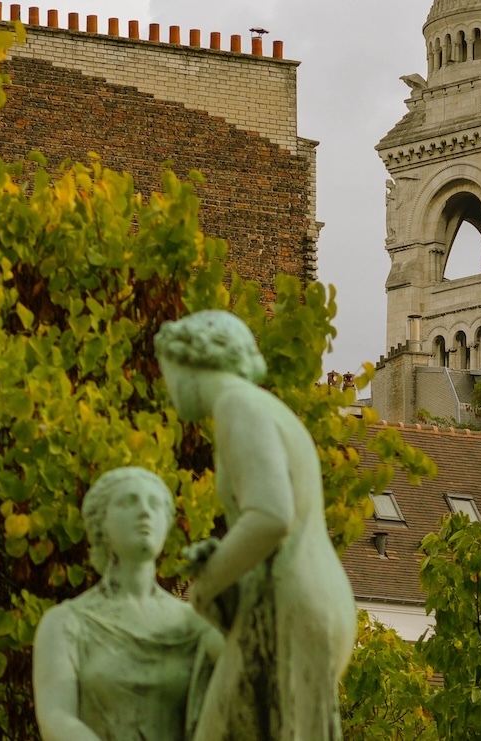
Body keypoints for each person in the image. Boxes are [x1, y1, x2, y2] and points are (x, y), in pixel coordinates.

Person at [157, 310, 355, 741]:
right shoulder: (260, 407)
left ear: (190, 363)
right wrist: (226, 557)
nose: (169, 390)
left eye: (168, 373)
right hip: (294, 598)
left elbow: (270, 515)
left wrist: (208, 584)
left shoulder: (236, 404)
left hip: (292, 605)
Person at [33, 466, 222, 741]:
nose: (145, 512)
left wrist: (225, 581)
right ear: (101, 524)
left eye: (155, 504)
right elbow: (56, 718)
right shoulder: (65, 622)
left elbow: (248, 664)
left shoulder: (193, 624)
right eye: (128, 502)